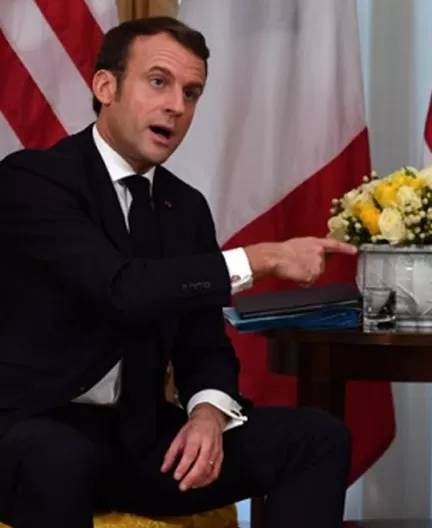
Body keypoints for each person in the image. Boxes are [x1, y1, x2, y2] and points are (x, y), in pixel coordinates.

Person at [0, 16, 357, 528]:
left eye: (192, 93)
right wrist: (261, 259)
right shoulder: (34, 179)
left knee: (317, 438)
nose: (177, 106)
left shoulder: (183, 207)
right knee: (60, 456)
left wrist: (208, 412)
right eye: (159, 82)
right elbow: (123, 288)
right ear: (106, 86)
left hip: (138, 441)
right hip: (31, 427)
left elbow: (204, 345)